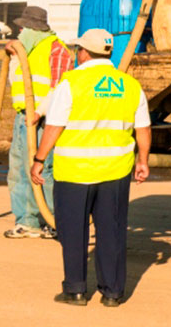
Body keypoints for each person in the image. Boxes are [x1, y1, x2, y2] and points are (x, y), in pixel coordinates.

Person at [30, 28, 151, 307]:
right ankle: (112, 293)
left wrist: (39, 160)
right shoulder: (130, 85)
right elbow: (143, 127)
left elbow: (55, 125)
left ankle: (75, 290)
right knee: (112, 231)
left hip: (75, 172)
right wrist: (142, 161)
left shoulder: (72, 83)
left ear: (83, 52)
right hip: (115, 172)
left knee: (74, 231)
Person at [3, 6, 73, 238]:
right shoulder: (28, 49)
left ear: (35, 28)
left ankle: (51, 220)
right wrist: (13, 54)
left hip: (44, 120)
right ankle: (26, 220)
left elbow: (60, 87)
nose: (20, 32)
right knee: (19, 171)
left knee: (43, 170)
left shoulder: (57, 50)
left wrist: (40, 112)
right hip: (23, 118)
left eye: (24, 27)